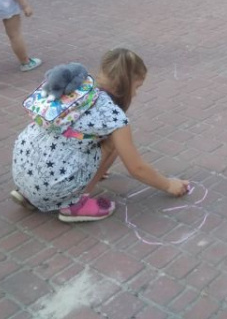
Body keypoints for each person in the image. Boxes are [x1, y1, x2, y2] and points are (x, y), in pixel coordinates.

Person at [10, 48, 190, 222]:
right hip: (52, 183)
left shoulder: (78, 88)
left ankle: (30, 193)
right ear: (125, 84)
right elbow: (137, 168)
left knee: (74, 138)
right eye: (137, 87)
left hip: (22, 170)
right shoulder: (114, 117)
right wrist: (169, 185)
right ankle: (75, 205)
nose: (135, 93)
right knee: (115, 142)